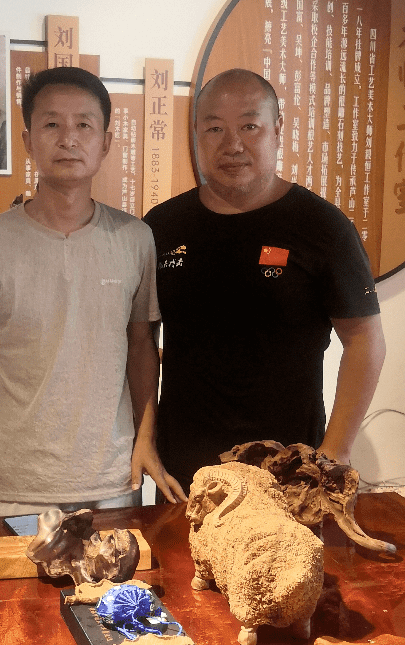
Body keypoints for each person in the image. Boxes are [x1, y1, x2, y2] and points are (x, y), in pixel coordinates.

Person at [0, 66, 184, 530]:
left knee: (118, 580)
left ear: (106, 142)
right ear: (27, 140)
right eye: (52, 124)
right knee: (21, 581)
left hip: (114, 478)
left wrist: (146, 440)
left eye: (84, 125)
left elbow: (141, 345)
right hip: (18, 484)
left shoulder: (135, 238)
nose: (69, 139)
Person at [143, 68, 386, 493]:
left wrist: (335, 452)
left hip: (289, 472)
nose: (232, 144)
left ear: (277, 129)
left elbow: (365, 339)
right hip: (185, 473)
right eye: (214, 128)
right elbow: (141, 341)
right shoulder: (163, 226)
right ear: (197, 134)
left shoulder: (322, 227)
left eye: (249, 126)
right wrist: (144, 439)